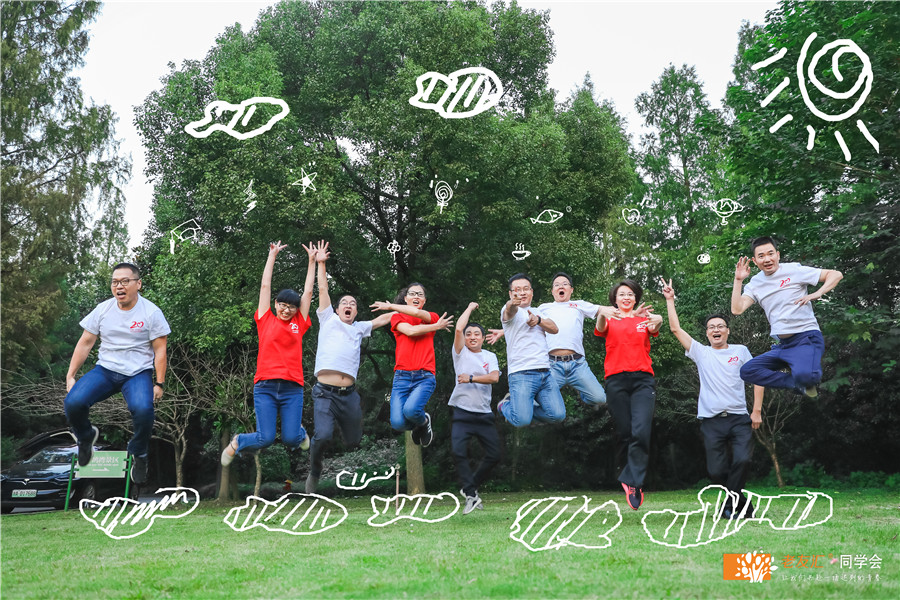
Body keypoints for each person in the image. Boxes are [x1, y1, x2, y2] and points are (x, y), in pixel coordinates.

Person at [305, 244, 430, 493]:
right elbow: (323, 289)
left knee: (354, 439)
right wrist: (321, 263)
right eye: (344, 303)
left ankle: (343, 431)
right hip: (324, 392)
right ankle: (315, 470)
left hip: (348, 395)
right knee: (323, 435)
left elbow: (385, 318)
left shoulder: (359, 328)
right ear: (337, 309)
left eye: (353, 303)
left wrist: (402, 305)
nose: (348, 305)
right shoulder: (327, 319)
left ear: (355, 311)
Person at [661, 277, 764, 518]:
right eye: (711, 327)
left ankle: (729, 507)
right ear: (707, 333)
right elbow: (675, 329)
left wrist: (756, 410)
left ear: (728, 331)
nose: (716, 330)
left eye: (720, 326)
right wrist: (670, 300)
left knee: (743, 461)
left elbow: (758, 377)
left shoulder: (740, 351)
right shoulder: (701, 352)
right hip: (711, 420)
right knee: (716, 471)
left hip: (739, 418)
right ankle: (743, 505)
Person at [64, 262, 170, 484]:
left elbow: (160, 350)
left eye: (124, 281)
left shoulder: (151, 313)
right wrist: (71, 375)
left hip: (137, 373)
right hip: (106, 370)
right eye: (114, 282)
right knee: (73, 402)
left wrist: (159, 383)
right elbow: (86, 342)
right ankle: (86, 437)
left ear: (138, 284)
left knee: (143, 410)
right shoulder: (103, 310)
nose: (119, 286)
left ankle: (139, 453)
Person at [488, 272, 644, 408]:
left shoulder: (579, 305)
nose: (560, 286)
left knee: (600, 398)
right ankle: (511, 401)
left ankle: (582, 391)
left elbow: (605, 309)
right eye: (557, 285)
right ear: (552, 291)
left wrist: (631, 314)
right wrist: (503, 331)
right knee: (535, 402)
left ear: (571, 290)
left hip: (577, 364)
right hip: (552, 365)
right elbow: (522, 321)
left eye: (564, 284)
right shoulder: (543, 307)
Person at [221, 241, 315, 466]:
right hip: (265, 387)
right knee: (266, 438)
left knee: (291, 438)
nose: (286, 310)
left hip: (292, 388)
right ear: (275, 304)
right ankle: (238, 442)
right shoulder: (265, 319)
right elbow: (265, 286)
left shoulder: (299, 323)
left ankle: (300, 433)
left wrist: (312, 261)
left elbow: (309, 292)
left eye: (291, 307)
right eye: (282, 305)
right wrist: (272, 256)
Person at [731, 236, 843, 397]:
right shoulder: (755, 283)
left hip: (805, 339)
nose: (767, 259)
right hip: (783, 345)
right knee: (748, 371)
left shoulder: (793, 270)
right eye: (761, 256)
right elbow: (737, 309)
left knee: (808, 377)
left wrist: (818, 292)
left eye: (770, 254)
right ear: (755, 261)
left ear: (778, 255)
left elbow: (835, 274)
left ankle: (803, 377)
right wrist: (738, 280)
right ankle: (797, 384)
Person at [594, 279, 663, 510]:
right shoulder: (609, 318)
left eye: (630, 294)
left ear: (636, 298)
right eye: (622, 294)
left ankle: (634, 483)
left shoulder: (643, 319)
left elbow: (655, 326)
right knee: (625, 431)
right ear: (614, 299)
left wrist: (659, 319)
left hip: (643, 380)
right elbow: (601, 327)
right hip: (616, 380)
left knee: (641, 431)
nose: (626, 297)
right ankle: (627, 475)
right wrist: (602, 312)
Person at [376, 283, 453, 447]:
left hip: (424, 376)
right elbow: (410, 331)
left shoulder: (431, 316)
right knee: (397, 423)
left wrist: (390, 306)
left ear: (424, 300)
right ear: (405, 298)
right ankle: (420, 424)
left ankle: (423, 420)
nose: (416, 296)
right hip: (401, 377)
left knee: (411, 410)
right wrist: (437, 327)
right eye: (412, 294)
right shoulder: (397, 318)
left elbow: (417, 313)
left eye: (420, 294)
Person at [449, 302, 501, 514]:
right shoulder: (460, 353)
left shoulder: (490, 356)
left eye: (476, 334)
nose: (472, 337)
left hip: (484, 415)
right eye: (469, 334)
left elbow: (494, 378)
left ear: (482, 338)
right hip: (462, 412)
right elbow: (458, 328)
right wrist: (469, 308)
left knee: (495, 455)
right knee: (458, 452)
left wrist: (471, 378)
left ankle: (470, 488)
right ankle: (471, 493)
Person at [496, 273, 565, 427]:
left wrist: (538, 320)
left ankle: (523, 408)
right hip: (521, 374)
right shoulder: (509, 311)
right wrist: (512, 303)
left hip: (545, 373)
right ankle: (505, 405)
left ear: (532, 292)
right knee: (522, 421)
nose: (522, 293)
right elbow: (509, 310)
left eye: (526, 289)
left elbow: (554, 329)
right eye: (517, 290)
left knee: (558, 415)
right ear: (511, 294)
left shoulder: (538, 312)